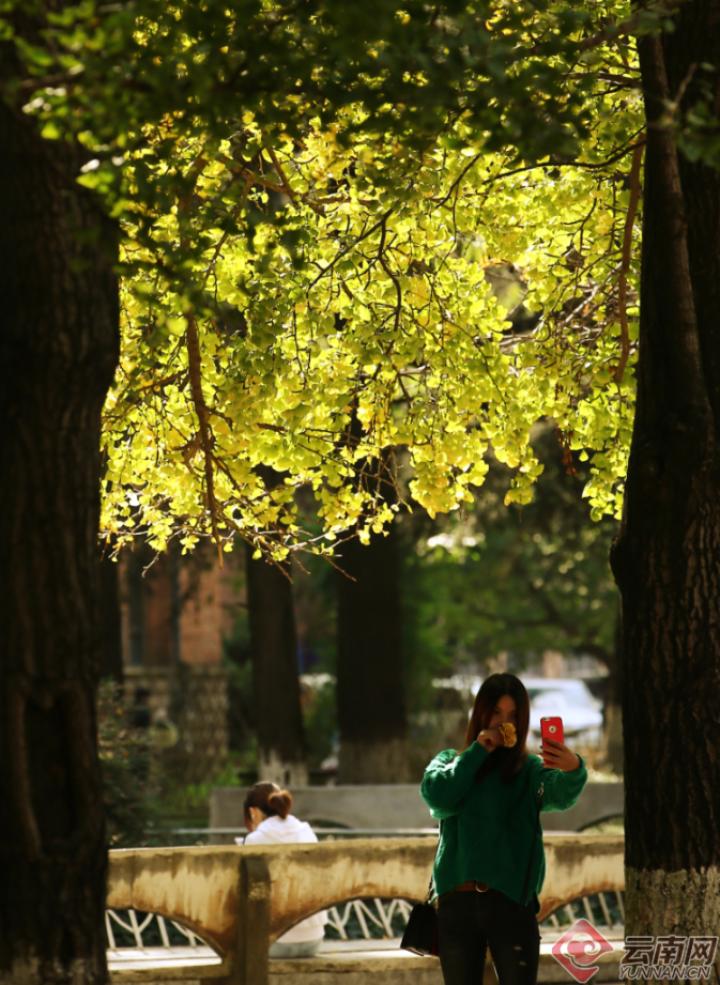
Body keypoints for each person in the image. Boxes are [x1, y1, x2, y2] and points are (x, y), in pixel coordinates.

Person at [420, 673, 588, 985]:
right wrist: (478, 752)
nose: (502, 723)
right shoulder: (450, 762)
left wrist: (573, 768)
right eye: (496, 712)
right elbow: (439, 796)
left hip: (511, 903)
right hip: (458, 904)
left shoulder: (530, 771)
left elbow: (559, 795)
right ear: (480, 713)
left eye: (512, 715)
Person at [235, 781, 327, 958]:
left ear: (253, 812)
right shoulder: (306, 831)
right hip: (314, 940)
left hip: (274, 943)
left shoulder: (255, 840)